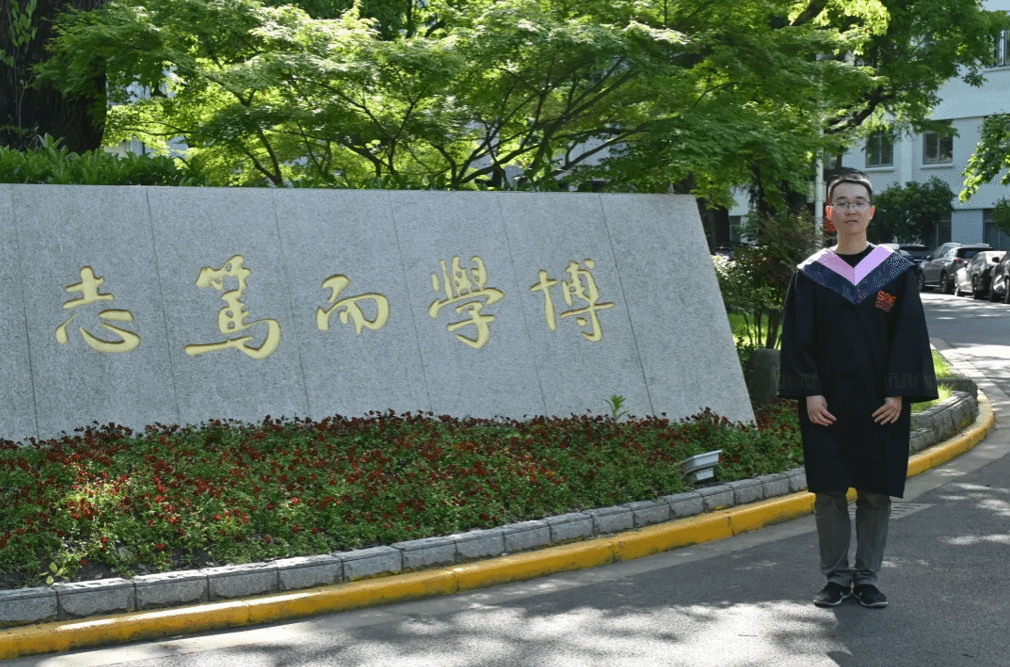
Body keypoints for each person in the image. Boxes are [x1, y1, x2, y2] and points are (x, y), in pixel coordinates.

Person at [778, 171, 938, 609]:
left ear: (871, 211)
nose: (851, 209)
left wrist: (898, 393)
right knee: (829, 492)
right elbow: (798, 338)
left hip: (879, 401)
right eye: (843, 203)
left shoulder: (895, 271)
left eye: (859, 202)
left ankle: (867, 578)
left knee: (875, 490)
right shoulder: (811, 274)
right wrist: (809, 392)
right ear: (830, 213)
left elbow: (909, 334)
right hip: (826, 402)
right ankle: (835, 578)